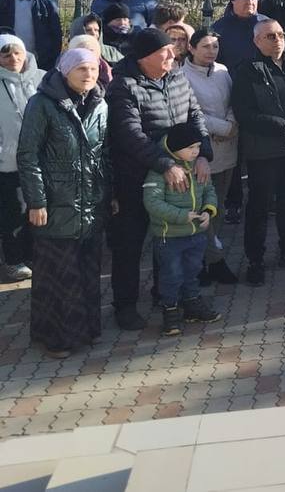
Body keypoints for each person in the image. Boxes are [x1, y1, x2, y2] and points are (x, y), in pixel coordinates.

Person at [106, 28, 212, 330]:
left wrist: (203, 152)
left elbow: (195, 116)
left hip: (179, 177)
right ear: (143, 58)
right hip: (137, 177)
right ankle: (124, 305)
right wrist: (165, 164)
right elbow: (130, 134)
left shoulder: (177, 77)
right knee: (130, 243)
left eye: (172, 49)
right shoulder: (123, 86)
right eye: (164, 51)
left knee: (169, 239)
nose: (172, 54)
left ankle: (168, 296)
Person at [17, 49, 108, 356]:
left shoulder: (99, 103)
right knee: (58, 273)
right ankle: (56, 337)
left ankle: (87, 330)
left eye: (93, 69)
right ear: (65, 71)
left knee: (86, 270)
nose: (88, 75)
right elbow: (28, 155)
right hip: (55, 203)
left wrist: (111, 195)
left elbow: (103, 154)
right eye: (81, 69)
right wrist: (36, 201)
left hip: (90, 203)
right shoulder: (42, 104)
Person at [230, 19, 285, 286]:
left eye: (281, 34)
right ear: (257, 41)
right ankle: (255, 260)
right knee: (258, 207)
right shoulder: (247, 71)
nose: (277, 39)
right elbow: (245, 114)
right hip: (264, 151)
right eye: (270, 36)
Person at [142, 124, 221, 336]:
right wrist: (181, 216)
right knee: (171, 275)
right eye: (190, 148)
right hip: (170, 237)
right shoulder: (160, 171)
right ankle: (170, 311)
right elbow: (152, 202)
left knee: (192, 271)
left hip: (195, 234)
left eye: (197, 147)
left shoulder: (197, 166)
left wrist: (208, 210)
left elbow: (209, 190)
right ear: (175, 148)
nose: (195, 152)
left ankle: (192, 305)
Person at [181, 29, 239, 286]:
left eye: (215, 46)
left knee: (218, 206)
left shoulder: (223, 71)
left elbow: (233, 102)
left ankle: (210, 255)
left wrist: (231, 123)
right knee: (201, 206)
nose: (211, 51)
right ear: (192, 48)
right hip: (202, 152)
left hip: (228, 148)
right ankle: (210, 260)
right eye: (205, 46)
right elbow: (191, 112)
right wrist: (222, 127)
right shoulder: (181, 76)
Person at [0, 35, 42, 282]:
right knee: (14, 212)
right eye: (6, 55)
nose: (13, 59)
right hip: (8, 163)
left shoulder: (42, 78)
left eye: (17, 53)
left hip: (39, 161)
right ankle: (14, 261)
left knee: (35, 211)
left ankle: (30, 255)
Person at [0, 0, 61, 70]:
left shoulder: (46, 3)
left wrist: (52, 57)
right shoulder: (4, 2)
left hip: (41, 60)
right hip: (11, 60)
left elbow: (56, 34)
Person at [211, 0, 270, 72]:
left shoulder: (267, 25)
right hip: (230, 79)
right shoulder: (220, 27)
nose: (250, 2)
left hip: (262, 80)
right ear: (233, 1)